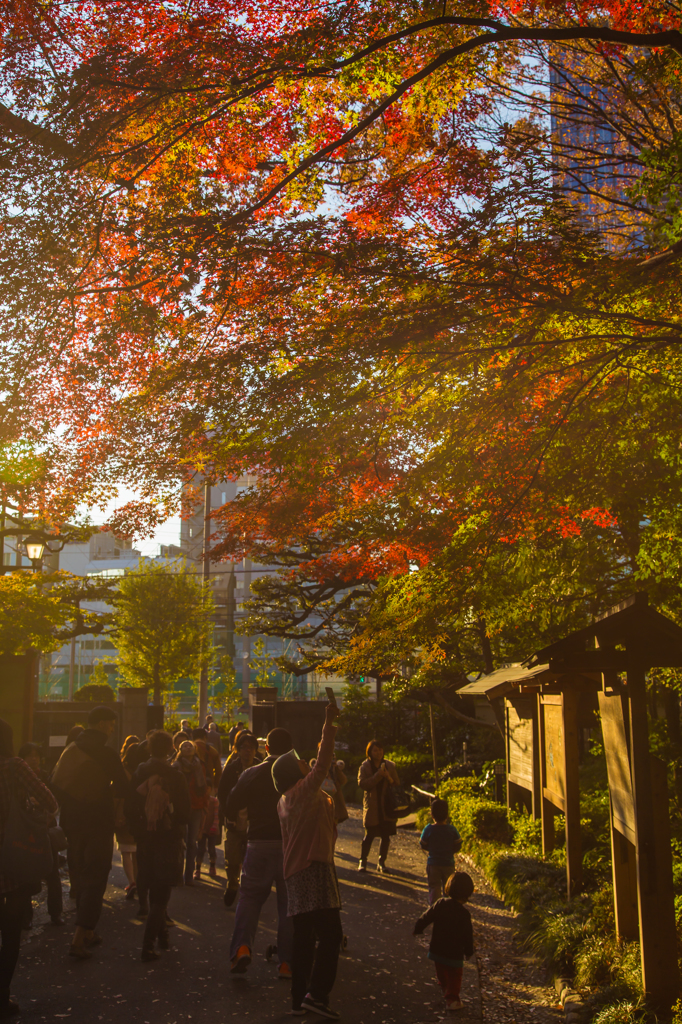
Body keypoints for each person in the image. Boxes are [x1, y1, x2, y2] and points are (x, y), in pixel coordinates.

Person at [274, 701, 343, 1020]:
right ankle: (317, 995)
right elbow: (324, 762)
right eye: (300, 762)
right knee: (331, 935)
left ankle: (298, 998)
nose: (305, 763)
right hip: (313, 869)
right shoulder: (302, 792)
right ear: (294, 772)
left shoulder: (285, 800)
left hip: (295, 873)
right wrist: (328, 723)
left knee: (303, 938)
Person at [50, 705, 130, 959]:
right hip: (99, 822)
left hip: (72, 822)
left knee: (81, 874)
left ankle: (87, 933)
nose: (112, 728)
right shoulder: (106, 753)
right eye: (110, 724)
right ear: (102, 724)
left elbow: (56, 785)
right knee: (96, 876)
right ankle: (79, 936)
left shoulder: (71, 750)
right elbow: (123, 786)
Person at [225, 727, 294, 977]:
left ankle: (242, 948)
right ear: (290, 749)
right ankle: (287, 962)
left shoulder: (251, 773)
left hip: (258, 843)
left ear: (266, 748)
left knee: (250, 898)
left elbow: (232, 804)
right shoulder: (298, 774)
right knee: (289, 905)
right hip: (291, 846)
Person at [0, 720, 58, 1017]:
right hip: (11, 860)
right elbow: (50, 801)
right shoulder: (15, 767)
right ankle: (2, 995)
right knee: (10, 933)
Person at [125, 730, 190, 962]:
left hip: (145, 839)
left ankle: (162, 937)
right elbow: (184, 813)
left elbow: (129, 807)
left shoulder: (139, 773)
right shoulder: (176, 776)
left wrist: (138, 831)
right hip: (168, 839)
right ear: (172, 749)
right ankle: (148, 945)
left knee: (151, 885)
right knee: (162, 894)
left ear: (149, 749)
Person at [413, 871, 475, 1012]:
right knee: (455, 976)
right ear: (467, 894)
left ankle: (445, 987)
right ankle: (452, 999)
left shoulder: (440, 903)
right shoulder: (464, 914)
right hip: (454, 954)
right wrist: (468, 951)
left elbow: (426, 917)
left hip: (437, 950)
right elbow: (467, 936)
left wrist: (418, 928)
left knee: (441, 972)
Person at [16, 743, 63, 927]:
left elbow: (55, 802)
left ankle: (56, 912)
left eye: (36, 755)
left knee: (52, 872)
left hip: (45, 828)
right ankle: (26, 916)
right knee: (26, 874)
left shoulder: (45, 776)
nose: (34, 758)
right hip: (27, 830)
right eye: (30, 755)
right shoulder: (17, 779)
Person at [217, 731, 259, 906]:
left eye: (251, 748)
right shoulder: (232, 768)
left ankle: (249, 890)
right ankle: (233, 883)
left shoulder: (261, 768)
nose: (247, 751)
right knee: (232, 856)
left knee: (252, 858)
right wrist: (227, 815)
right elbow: (222, 792)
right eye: (244, 748)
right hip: (235, 819)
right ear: (237, 750)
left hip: (255, 821)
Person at [357, 740, 400, 873]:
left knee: (386, 836)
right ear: (370, 752)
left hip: (387, 806)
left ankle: (382, 862)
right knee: (369, 835)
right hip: (373, 806)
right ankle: (363, 861)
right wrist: (377, 776)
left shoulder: (390, 766)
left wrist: (388, 777)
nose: (378, 753)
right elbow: (362, 784)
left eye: (380, 750)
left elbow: (397, 785)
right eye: (375, 750)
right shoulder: (365, 766)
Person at [171, 740, 207, 885]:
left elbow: (203, 786)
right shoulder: (175, 766)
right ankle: (177, 874)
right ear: (180, 750)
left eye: (190, 746)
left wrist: (205, 804)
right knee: (179, 841)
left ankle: (189, 875)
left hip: (196, 805)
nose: (187, 747)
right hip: (180, 806)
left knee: (192, 842)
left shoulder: (200, 766)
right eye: (184, 746)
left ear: (194, 749)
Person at [420, 798, 462, 904]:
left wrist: (431, 849)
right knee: (448, 889)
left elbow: (423, 843)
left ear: (432, 815)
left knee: (434, 888)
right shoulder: (451, 830)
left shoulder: (429, 829)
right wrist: (450, 851)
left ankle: (434, 910)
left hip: (433, 863)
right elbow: (458, 844)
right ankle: (447, 910)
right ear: (447, 815)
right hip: (448, 863)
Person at [116, 736, 141, 901]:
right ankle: (138, 882)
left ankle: (131, 882)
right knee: (137, 852)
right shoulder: (143, 771)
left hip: (122, 812)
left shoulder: (120, 771)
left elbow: (115, 794)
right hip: (138, 814)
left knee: (125, 851)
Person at [192, 728, 222, 792]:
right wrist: (216, 786)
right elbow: (218, 771)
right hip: (208, 785)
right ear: (205, 737)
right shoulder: (212, 751)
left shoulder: (188, 749)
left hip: (191, 784)